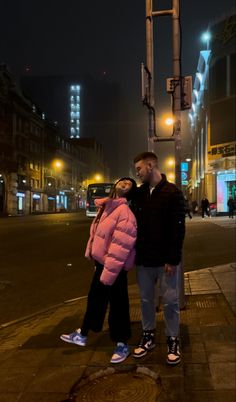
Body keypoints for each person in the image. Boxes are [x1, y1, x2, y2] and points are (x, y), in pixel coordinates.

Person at [60, 178, 137, 364]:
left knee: (118, 305)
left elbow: (120, 247)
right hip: (103, 264)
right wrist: (95, 258)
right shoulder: (107, 208)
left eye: (129, 184)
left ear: (130, 193)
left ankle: (122, 344)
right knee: (95, 299)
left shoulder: (124, 213)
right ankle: (83, 333)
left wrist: (109, 271)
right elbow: (97, 235)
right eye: (122, 181)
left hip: (114, 267)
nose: (125, 183)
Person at [133, 152, 185, 366]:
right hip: (144, 259)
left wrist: (172, 259)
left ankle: (173, 339)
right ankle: (148, 336)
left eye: (139, 169)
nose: (137, 173)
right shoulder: (140, 193)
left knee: (171, 301)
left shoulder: (172, 192)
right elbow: (123, 193)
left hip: (166, 261)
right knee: (146, 301)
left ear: (151, 165)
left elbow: (178, 228)